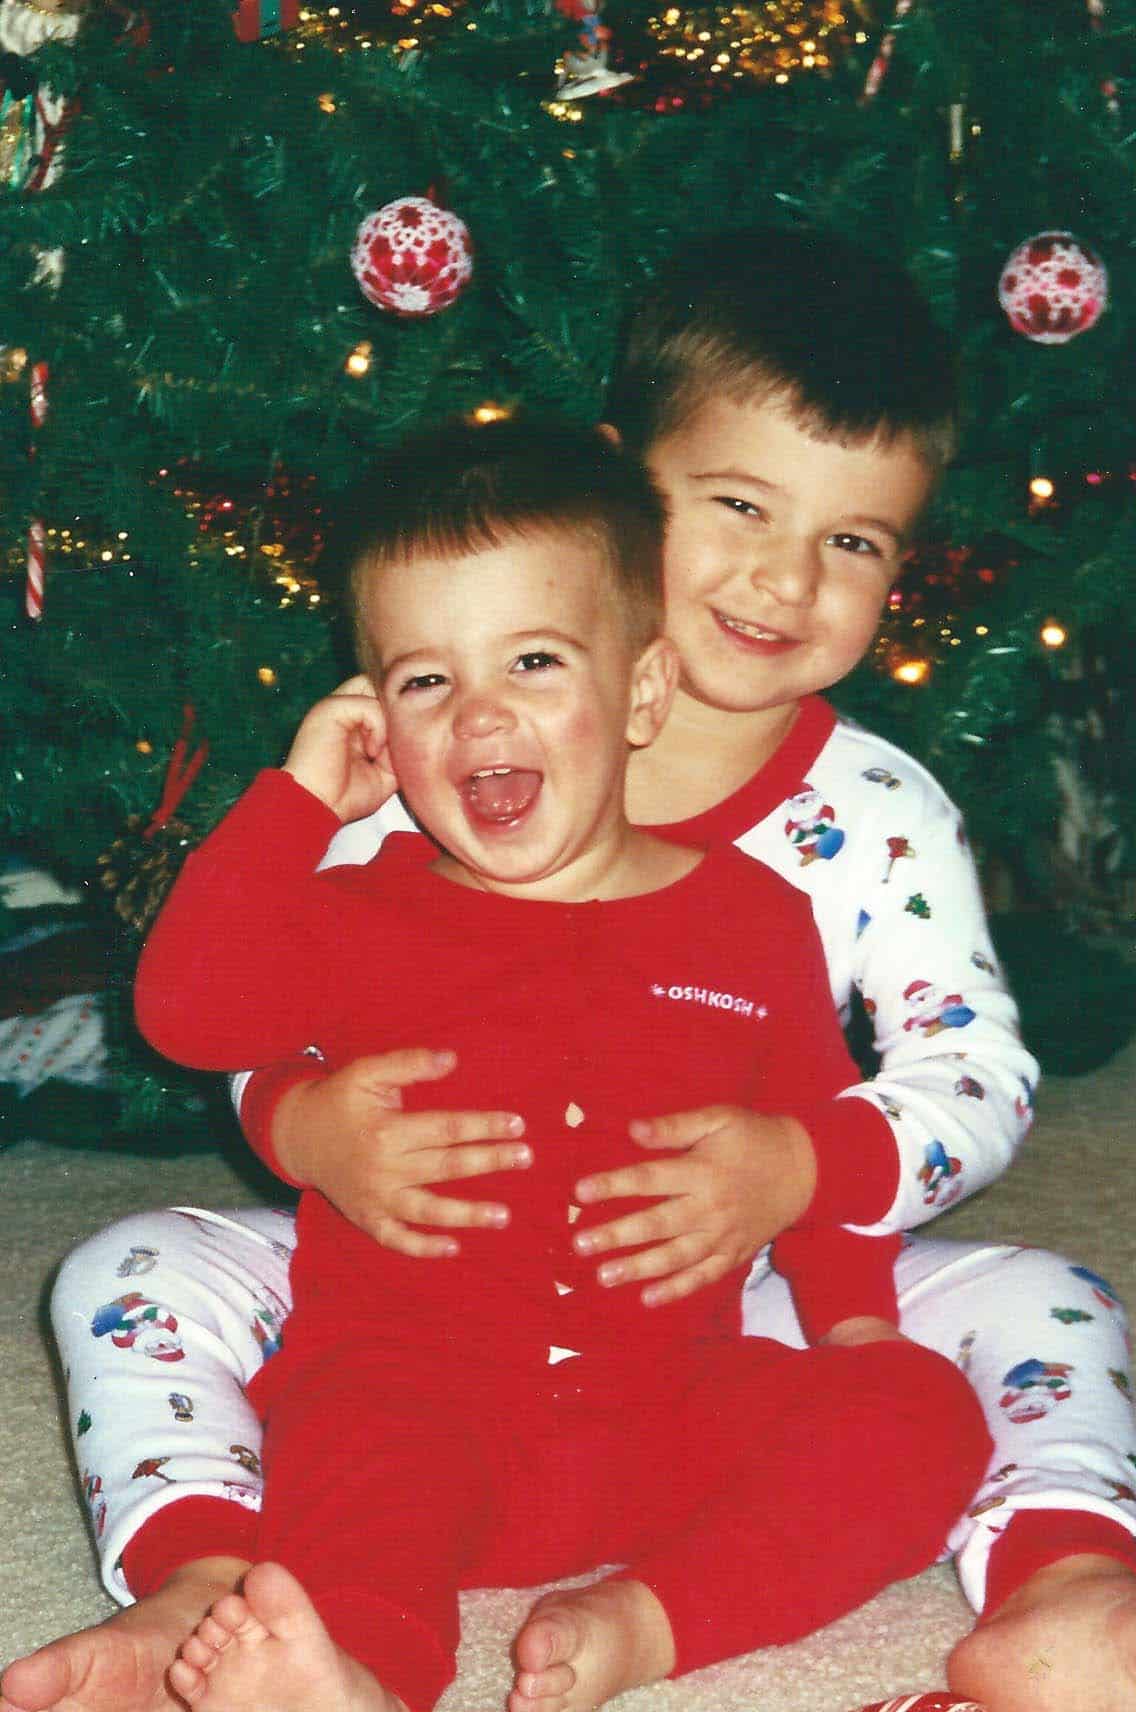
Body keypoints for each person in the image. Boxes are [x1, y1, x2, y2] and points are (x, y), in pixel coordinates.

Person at [4, 228, 1135, 1712]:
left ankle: (1060, 1578)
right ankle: (213, 1581)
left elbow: (973, 1072)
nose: (785, 578)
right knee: (130, 1270)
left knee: (1043, 1308)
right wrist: (302, 1123)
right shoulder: (440, 759)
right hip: (415, 1281)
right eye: (738, 505)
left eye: (854, 542)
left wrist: (801, 1172)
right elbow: (235, 1009)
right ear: (619, 491)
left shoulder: (872, 818)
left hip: (718, 1284)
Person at [132, 416, 989, 1712]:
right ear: (377, 720)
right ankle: (355, 1677)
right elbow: (187, 1012)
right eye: (424, 681)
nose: (479, 712)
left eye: (533, 660)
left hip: (666, 1404)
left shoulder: (753, 919)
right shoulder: (365, 909)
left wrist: (857, 1335)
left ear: (642, 692)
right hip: (416, 1396)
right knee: (352, 1476)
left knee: (921, 1416)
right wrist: (299, 801)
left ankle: (643, 1626)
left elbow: (806, 1133)